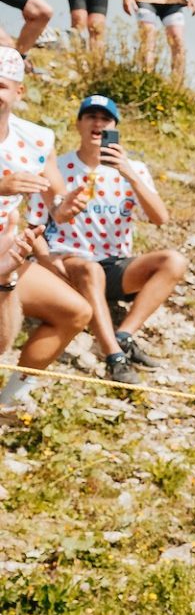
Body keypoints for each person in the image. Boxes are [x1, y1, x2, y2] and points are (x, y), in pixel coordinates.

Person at [44, 95, 187, 385]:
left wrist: (130, 174)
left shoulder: (132, 170)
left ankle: (125, 335)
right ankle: (113, 356)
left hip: (114, 265)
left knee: (175, 261)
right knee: (90, 269)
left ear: (115, 128)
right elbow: (39, 219)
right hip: (70, 262)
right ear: (78, 125)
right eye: (91, 117)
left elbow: (160, 218)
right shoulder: (58, 167)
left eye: (105, 119)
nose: (98, 124)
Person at [0, 48, 92, 411]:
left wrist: (64, 208)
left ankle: (10, 400)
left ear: (19, 93)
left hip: (6, 249)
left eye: (2, 87)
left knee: (75, 312)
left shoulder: (36, 139)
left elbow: (56, 202)